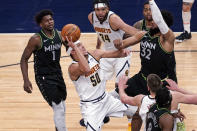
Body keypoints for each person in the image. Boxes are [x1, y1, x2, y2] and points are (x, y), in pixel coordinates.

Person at [113, 0, 177, 130]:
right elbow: (124, 44)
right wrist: (119, 43)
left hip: (160, 85)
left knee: (160, 118)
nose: (151, 21)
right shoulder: (143, 34)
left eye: (155, 20)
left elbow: (160, 21)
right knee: (132, 111)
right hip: (142, 78)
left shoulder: (168, 40)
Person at [87, 0, 139, 129]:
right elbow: (100, 32)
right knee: (97, 83)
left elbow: (130, 30)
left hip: (122, 53)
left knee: (121, 86)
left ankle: (131, 116)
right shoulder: (91, 17)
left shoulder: (113, 19)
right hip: (107, 54)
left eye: (103, 9)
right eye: (97, 10)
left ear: (108, 9)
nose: (100, 12)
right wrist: (98, 47)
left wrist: (146, 37)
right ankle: (100, 112)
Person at [66, 37, 130, 131]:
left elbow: (119, 54)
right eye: (79, 46)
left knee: (136, 111)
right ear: (73, 51)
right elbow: (86, 69)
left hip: (106, 99)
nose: (83, 46)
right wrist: (74, 47)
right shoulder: (72, 68)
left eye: (81, 44)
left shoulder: (94, 54)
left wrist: (120, 48)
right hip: (91, 106)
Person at [20, 9, 67, 131]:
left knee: (62, 107)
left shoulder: (60, 34)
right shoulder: (36, 39)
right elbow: (24, 59)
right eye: (46, 21)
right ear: (41, 24)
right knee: (58, 108)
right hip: (44, 77)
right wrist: (26, 80)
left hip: (58, 74)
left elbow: (71, 50)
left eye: (51, 19)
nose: (50, 22)